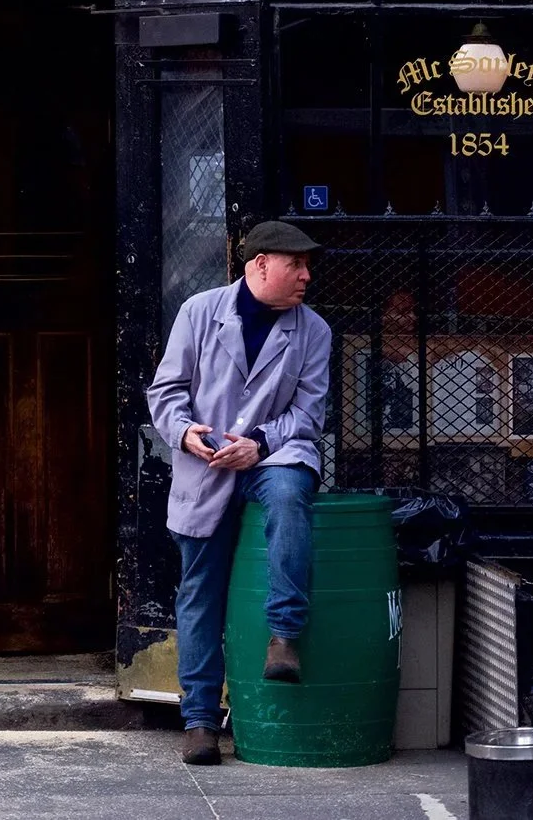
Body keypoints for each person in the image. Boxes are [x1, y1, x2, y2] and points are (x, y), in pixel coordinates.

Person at [146, 220, 332, 767]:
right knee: (200, 590)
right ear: (258, 265)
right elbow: (166, 390)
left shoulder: (313, 330)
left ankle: (284, 636)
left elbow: (308, 414)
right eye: (294, 264)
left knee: (290, 494)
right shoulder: (200, 312)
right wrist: (186, 433)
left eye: (306, 265)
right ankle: (200, 722)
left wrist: (258, 442)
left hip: (271, 455)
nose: (305, 275)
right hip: (205, 466)